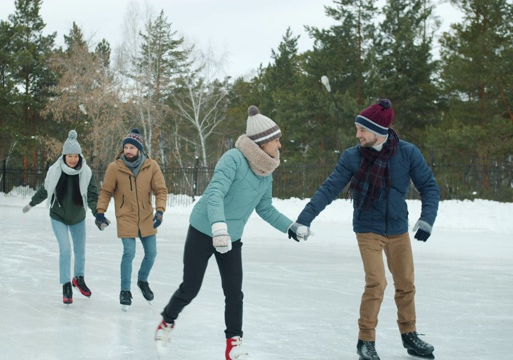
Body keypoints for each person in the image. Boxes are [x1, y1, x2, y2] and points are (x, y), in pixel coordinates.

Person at [289, 99, 439, 360]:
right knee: (376, 283)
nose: (357, 134)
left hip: (397, 228)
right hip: (368, 228)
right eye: (357, 129)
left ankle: (409, 335)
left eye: (362, 130)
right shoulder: (352, 157)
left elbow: (429, 186)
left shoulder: (407, 153)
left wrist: (427, 219)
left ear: (379, 132)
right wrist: (304, 219)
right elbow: (329, 188)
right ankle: (365, 341)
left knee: (405, 283)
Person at [154, 106, 303, 360]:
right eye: (276, 140)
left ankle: (233, 344)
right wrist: (218, 228)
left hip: (231, 239)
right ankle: (167, 321)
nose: (280, 145)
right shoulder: (233, 158)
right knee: (190, 287)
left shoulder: (265, 174)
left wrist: (290, 226)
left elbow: (265, 208)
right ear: (262, 142)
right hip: (204, 229)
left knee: (234, 292)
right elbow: (215, 194)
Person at [22, 130, 99, 305]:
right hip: (58, 216)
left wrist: (97, 214)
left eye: (76, 156)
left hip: (78, 216)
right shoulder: (55, 171)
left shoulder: (85, 172)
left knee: (80, 252)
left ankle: (78, 279)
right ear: (64, 156)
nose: (73, 159)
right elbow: (45, 190)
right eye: (69, 155)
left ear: (80, 156)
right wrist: (32, 204)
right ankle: (66, 284)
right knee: (65, 250)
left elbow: (93, 195)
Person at [95, 128, 168, 310]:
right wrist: (100, 212)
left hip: (145, 216)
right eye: (126, 147)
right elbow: (106, 191)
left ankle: (142, 281)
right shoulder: (115, 168)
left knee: (151, 253)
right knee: (129, 252)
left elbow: (161, 190)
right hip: (125, 216)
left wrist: (159, 211)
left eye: (132, 148)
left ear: (139, 150)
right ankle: (125, 291)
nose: (128, 150)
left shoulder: (151, 166)